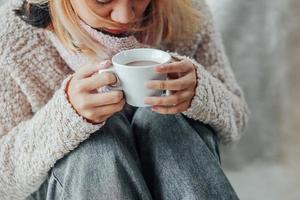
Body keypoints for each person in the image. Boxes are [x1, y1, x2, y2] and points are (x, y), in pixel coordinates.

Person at [0, 0, 249, 199]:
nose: (125, 16)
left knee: (162, 118)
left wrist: (201, 92)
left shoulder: (185, 13)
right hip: (71, 185)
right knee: (97, 139)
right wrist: (67, 116)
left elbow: (237, 123)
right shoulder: (12, 37)